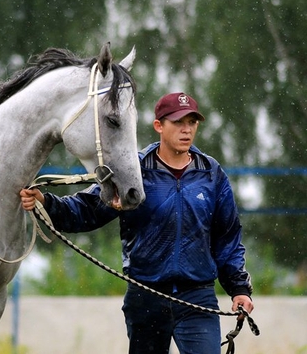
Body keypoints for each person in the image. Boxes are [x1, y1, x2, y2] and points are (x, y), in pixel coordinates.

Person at [20, 92, 254, 354]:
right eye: (178, 122)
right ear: (159, 126)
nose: (186, 129)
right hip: (146, 296)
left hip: (197, 297)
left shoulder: (212, 174)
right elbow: (88, 209)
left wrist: (239, 289)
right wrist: (46, 203)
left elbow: (228, 239)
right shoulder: (133, 171)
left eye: (192, 122)